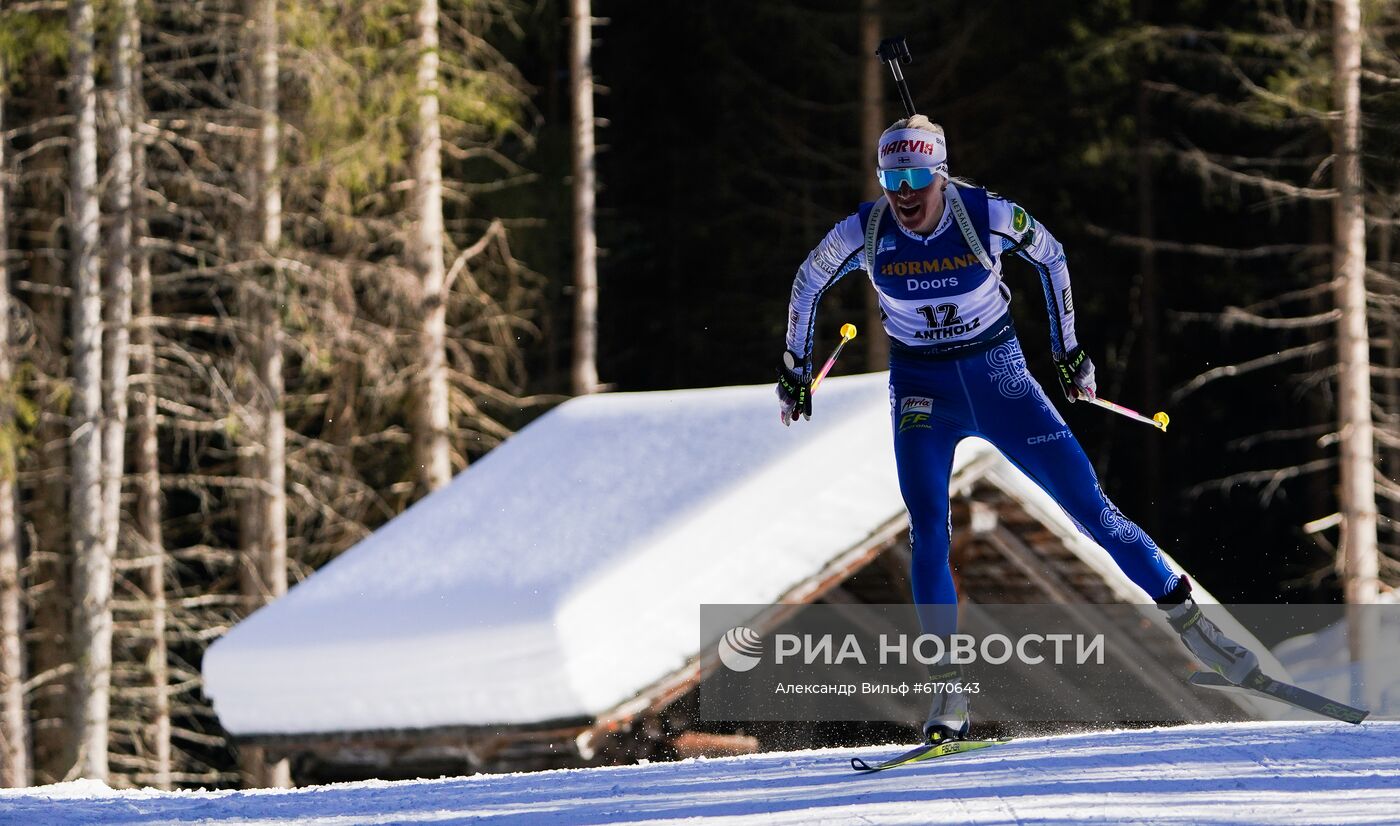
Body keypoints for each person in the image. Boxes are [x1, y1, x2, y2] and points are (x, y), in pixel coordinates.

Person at [776, 115, 1259, 743]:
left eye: (918, 176)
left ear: (941, 175)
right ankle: (946, 694)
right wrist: (794, 369)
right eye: (891, 177)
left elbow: (1052, 255)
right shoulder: (865, 232)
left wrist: (1068, 351)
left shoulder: (986, 216)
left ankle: (1199, 630)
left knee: (1091, 510)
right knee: (927, 528)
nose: (904, 192)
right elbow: (808, 280)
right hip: (924, 389)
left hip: (1000, 381)